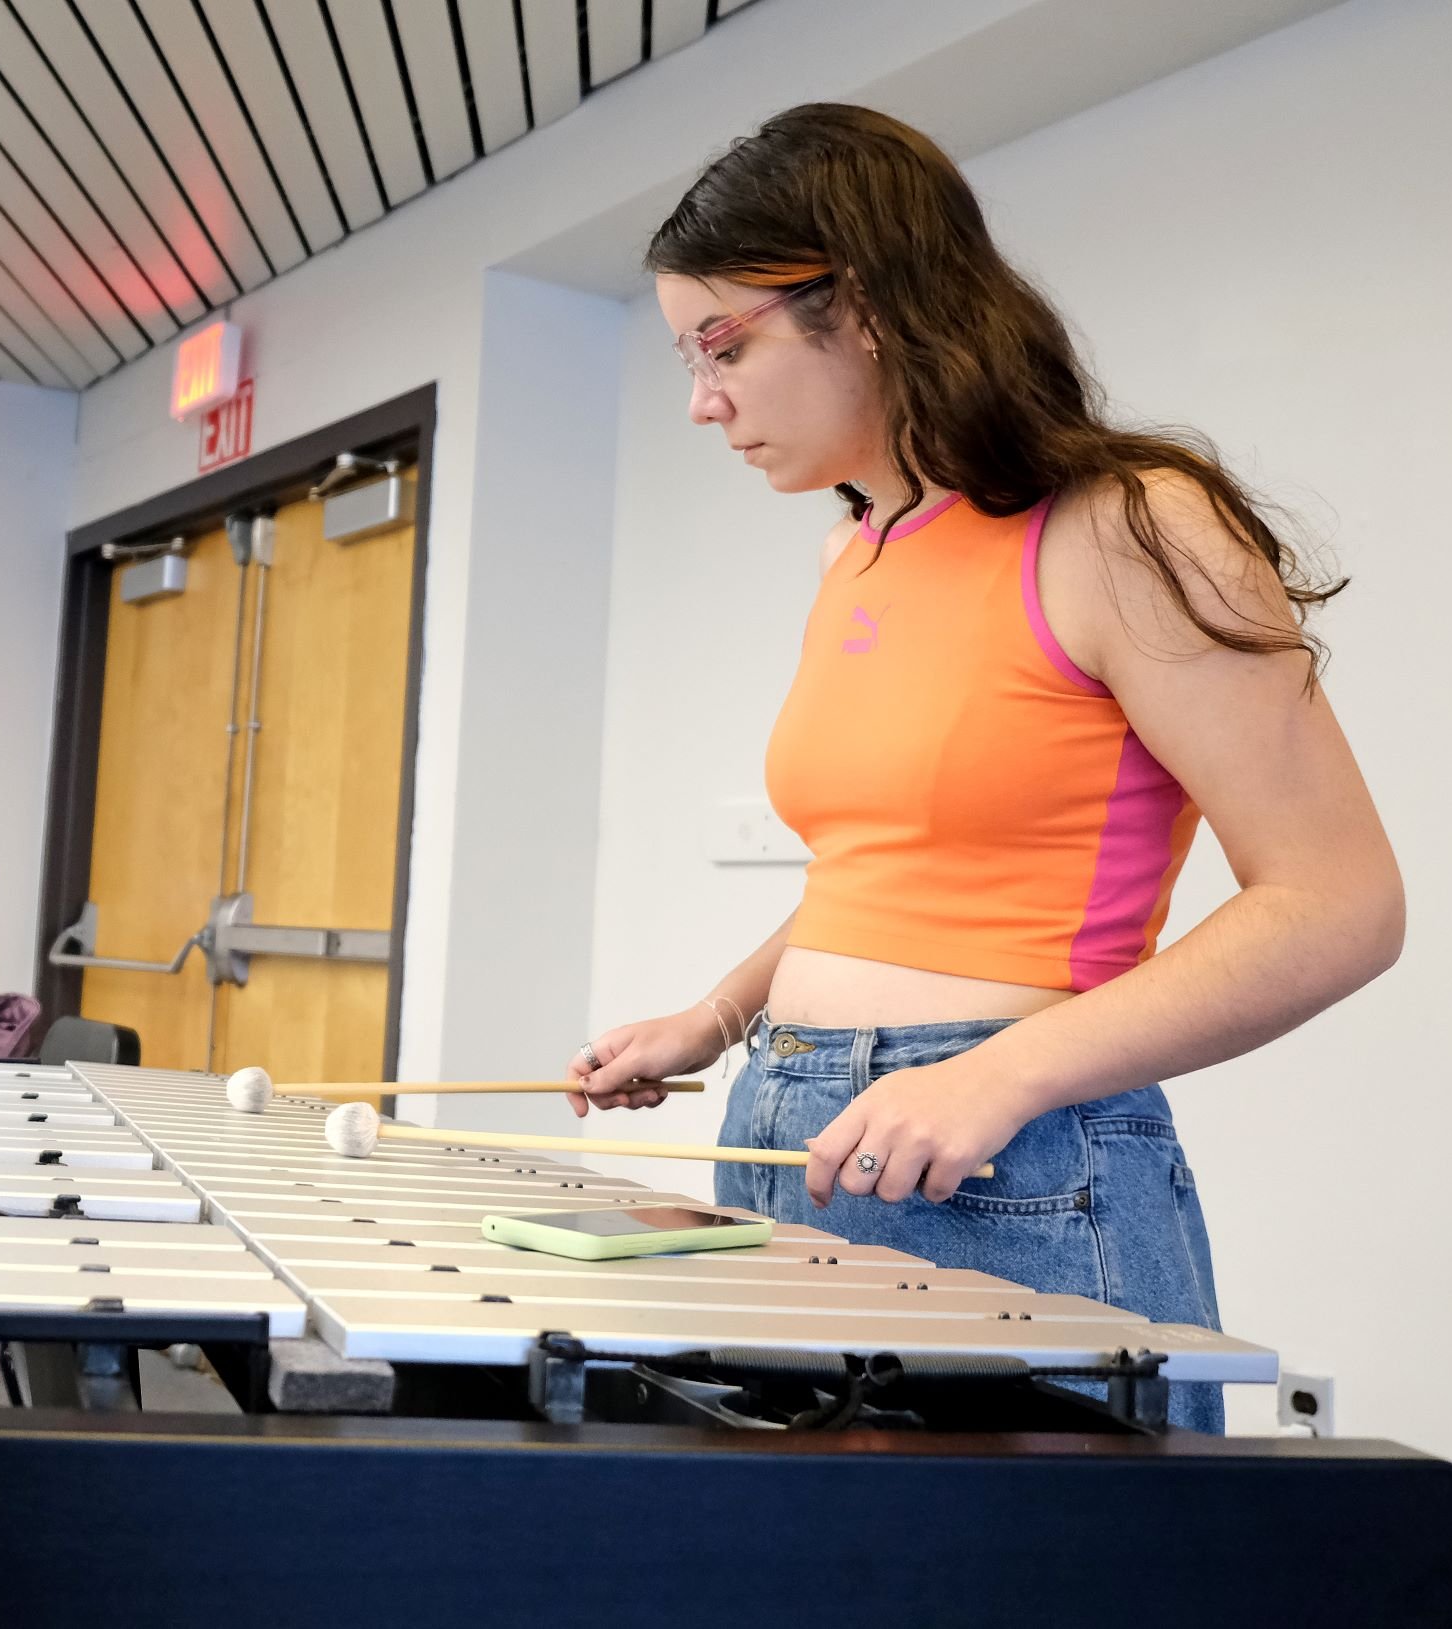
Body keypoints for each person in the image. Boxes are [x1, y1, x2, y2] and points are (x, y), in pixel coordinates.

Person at [564, 104, 1404, 1432]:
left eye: (721, 345)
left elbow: (1337, 901)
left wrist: (997, 1075)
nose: (700, 401)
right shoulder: (859, 549)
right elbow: (882, 868)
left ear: (872, 305)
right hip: (789, 1123)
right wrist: (715, 1018)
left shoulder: (1125, 524)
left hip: (1007, 1159)